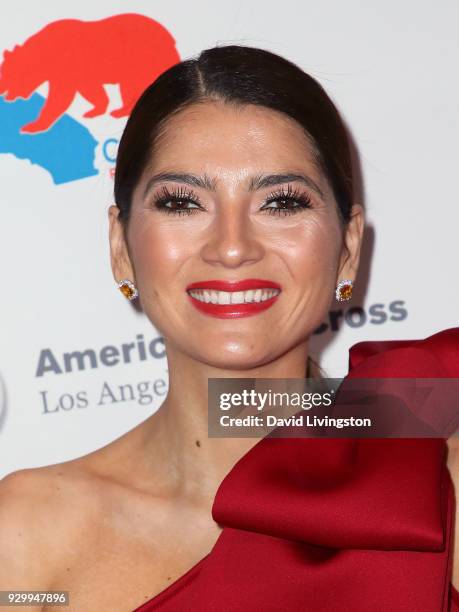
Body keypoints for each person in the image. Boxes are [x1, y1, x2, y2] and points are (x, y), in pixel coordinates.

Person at [0, 44, 457, 611]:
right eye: (182, 203)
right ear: (121, 248)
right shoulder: (25, 535)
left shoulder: (436, 481)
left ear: (348, 248)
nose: (233, 247)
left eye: (282, 202)